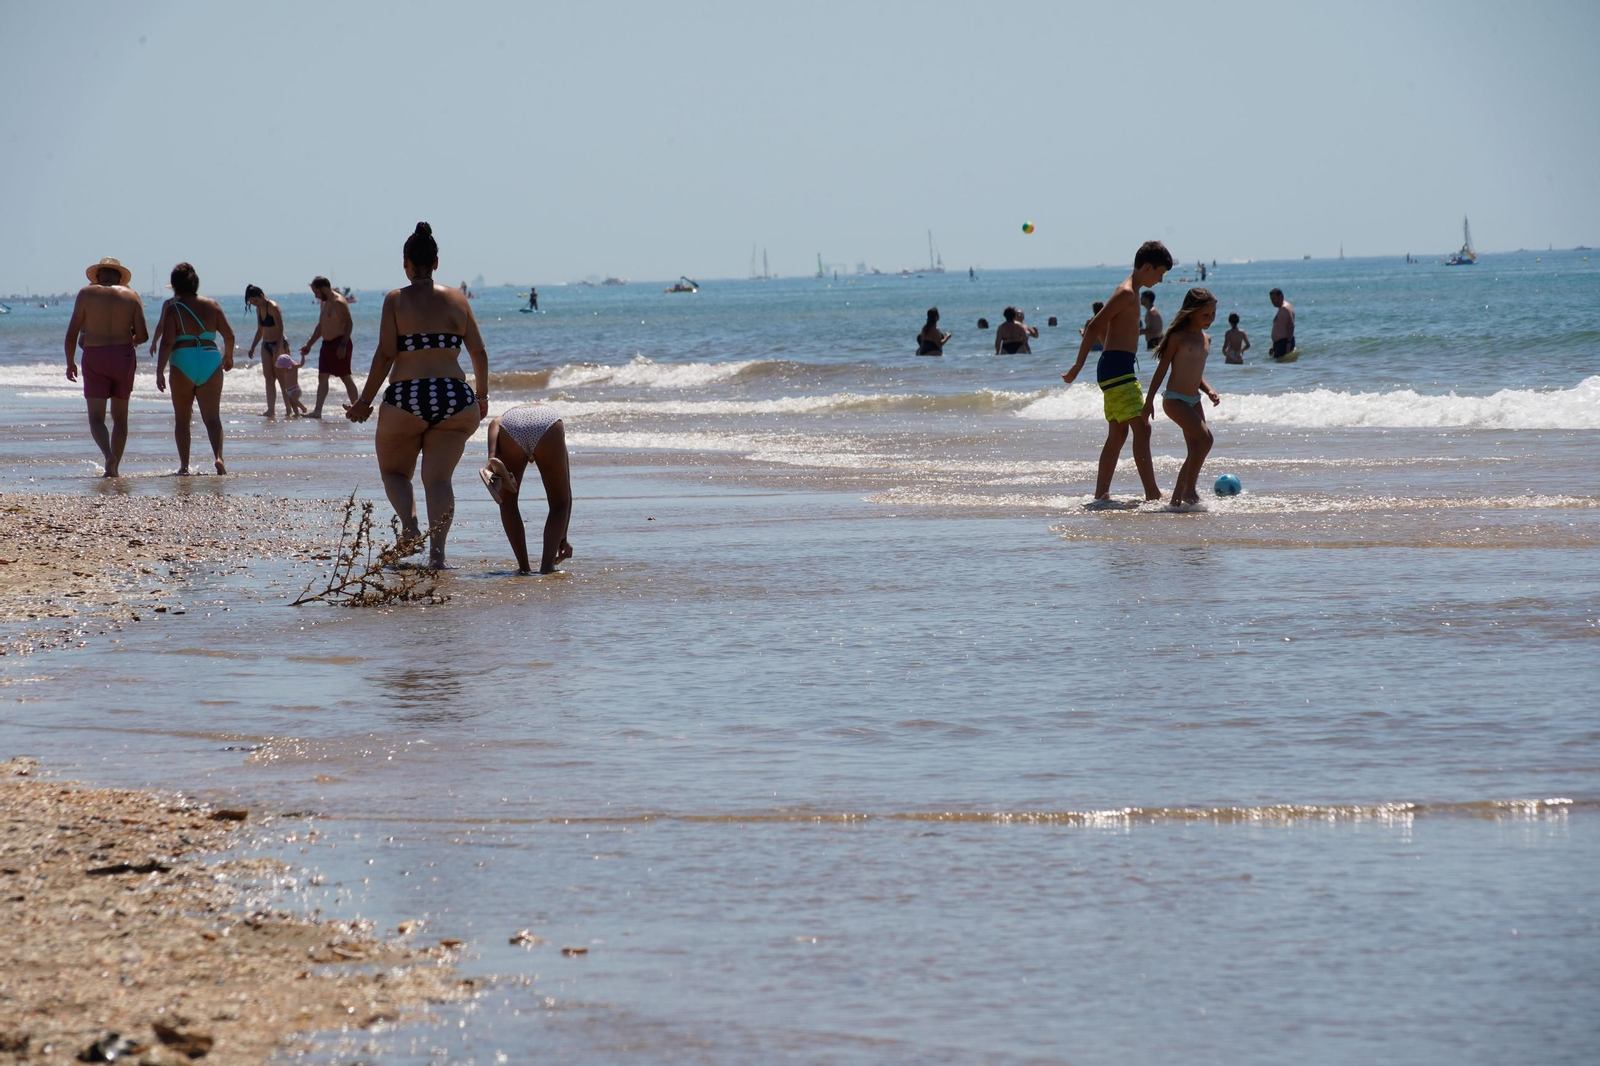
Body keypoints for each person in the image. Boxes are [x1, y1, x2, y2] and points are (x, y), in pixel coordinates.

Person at [345, 222, 488, 568]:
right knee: (438, 480)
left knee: (395, 474)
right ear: (436, 262)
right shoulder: (458, 299)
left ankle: (410, 529)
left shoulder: (396, 300)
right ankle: (437, 556)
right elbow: (479, 352)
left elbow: (385, 354)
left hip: (407, 398)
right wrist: (482, 397)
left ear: (405, 263)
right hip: (454, 397)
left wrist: (364, 402)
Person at [1061, 240, 1173, 506]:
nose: (1159, 281)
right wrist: (1078, 365)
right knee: (1142, 428)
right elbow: (1094, 325)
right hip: (1117, 368)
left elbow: (1104, 328)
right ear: (1147, 267)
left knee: (1118, 433)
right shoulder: (1126, 292)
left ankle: (1101, 495)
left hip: (1115, 365)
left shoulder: (1130, 293)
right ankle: (1153, 495)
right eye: (1159, 274)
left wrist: (1108, 352)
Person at [64, 257, 149, 477]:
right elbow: (143, 336)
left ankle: (108, 455)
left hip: (95, 355)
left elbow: (72, 333)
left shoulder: (86, 294)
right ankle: (115, 468)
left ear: (98, 276)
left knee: (96, 418)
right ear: (120, 278)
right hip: (123, 356)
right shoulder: (132, 296)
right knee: (120, 418)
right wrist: (128, 339)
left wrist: (70, 362)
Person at [1143, 288, 1221, 509]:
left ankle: (1184, 496)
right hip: (1174, 400)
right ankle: (1183, 494)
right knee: (1206, 440)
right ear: (1191, 312)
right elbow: (1162, 370)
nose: (1210, 319)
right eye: (1205, 315)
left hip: (1194, 400)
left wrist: (1208, 390)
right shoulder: (1178, 337)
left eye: (1213, 314)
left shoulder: (1206, 339)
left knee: (1196, 448)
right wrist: (1148, 401)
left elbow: (1196, 372)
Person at [155, 262, 234, 475]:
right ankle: (218, 458)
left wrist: (159, 370)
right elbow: (229, 335)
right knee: (213, 418)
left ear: (174, 285)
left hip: (183, 359)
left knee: (182, 419)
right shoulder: (213, 305)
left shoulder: (173, 309)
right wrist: (229, 356)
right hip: (210, 358)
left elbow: (167, 342)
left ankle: (184, 466)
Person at [480, 403, 573, 574]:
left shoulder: (505, 416)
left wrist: (491, 456)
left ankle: (524, 568)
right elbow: (567, 494)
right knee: (559, 503)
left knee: (507, 503)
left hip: (511, 425)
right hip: (547, 422)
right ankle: (547, 567)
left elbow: (495, 423)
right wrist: (562, 540)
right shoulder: (551, 422)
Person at [301, 277, 357, 418]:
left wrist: (343, 345)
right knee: (322, 377)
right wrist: (309, 344)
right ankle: (317, 411)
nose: (316, 296)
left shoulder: (339, 302)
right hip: (326, 344)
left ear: (324, 288)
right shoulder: (324, 303)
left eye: (316, 292)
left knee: (345, 376)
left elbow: (349, 323)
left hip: (340, 343)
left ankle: (358, 408)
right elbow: (321, 326)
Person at [245, 285, 290, 416]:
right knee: (269, 378)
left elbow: (281, 328)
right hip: (266, 345)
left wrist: (279, 348)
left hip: (279, 344)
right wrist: (253, 346)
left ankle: (289, 409)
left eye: (255, 301)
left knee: (282, 379)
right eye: (252, 303)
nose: (254, 304)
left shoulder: (273, 307)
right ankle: (271, 410)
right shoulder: (259, 309)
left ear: (261, 295)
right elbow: (260, 330)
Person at [276, 345, 310, 417]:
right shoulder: (284, 370)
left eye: (283, 367)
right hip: (288, 390)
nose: (283, 369)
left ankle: (303, 408)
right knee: (292, 403)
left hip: (295, 389)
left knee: (295, 400)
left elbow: (301, 364)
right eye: (282, 368)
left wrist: (303, 356)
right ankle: (296, 414)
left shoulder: (294, 367)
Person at [1269, 288, 1296, 358]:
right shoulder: (1282, 308)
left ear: (1281, 297)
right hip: (1280, 343)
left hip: (1284, 343)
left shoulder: (1285, 308)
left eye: (1274, 298)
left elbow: (1291, 325)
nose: (1272, 301)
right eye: (1271, 299)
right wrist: (1274, 346)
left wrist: (1288, 344)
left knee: (1281, 363)